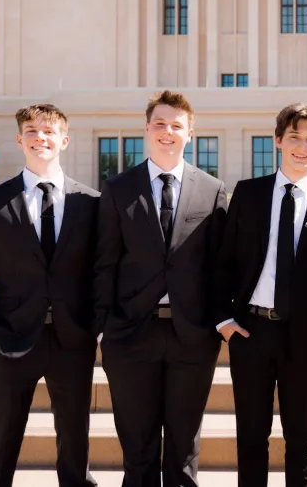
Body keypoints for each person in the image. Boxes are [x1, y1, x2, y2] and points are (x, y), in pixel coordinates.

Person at [0, 104, 98, 487]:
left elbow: (101, 273)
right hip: (11, 338)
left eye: (50, 132)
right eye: (32, 131)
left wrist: (96, 328)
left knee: (75, 444)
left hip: (73, 340)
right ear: (20, 140)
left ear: (64, 140)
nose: (41, 138)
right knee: (1, 441)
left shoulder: (91, 202)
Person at [93, 90, 227, 487]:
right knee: (138, 451)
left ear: (191, 134)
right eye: (160, 124)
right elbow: (104, 262)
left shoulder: (212, 189)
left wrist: (215, 323)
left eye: (177, 125)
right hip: (130, 333)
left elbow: (219, 267)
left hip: (192, 336)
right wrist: (104, 327)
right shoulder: (117, 188)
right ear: (147, 129)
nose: (168, 131)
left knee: (184, 453)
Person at [213, 103, 307, 487]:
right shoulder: (248, 193)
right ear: (278, 140)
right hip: (251, 332)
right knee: (252, 437)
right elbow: (223, 262)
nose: (301, 147)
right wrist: (224, 321)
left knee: (300, 438)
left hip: (303, 336)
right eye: (294, 137)